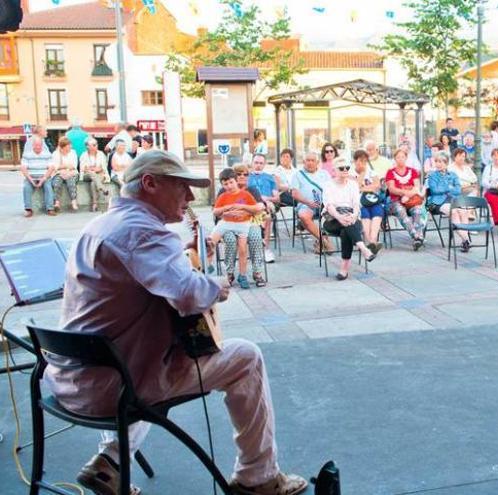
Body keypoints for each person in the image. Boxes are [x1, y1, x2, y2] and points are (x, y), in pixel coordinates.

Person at [50, 150, 309, 495]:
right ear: (149, 183)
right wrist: (216, 285)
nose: (189, 197)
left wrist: (182, 258)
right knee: (245, 357)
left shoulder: (98, 225)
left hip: (73, 378)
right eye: (182, 186)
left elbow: (141, 280)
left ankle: (110, 461)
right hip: (116, 388)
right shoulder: (144, 232)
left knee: (154, 362)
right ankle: (257, 477)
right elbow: (187, 295)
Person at [323, 157, 380, 279]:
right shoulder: (328, 185)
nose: (345, 170)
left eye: (347, 168)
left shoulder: (353, 184)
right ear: (334, 170)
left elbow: (356, 204)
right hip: (332, 219)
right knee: (347, 226)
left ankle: (344, 269)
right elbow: (329, 205)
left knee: (346, 231)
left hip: (351, 217)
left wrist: (354, 215)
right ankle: (364, 249)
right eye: (341, 168)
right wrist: (339, 217)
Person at [211, 168, 260, 289]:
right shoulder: (223, 196)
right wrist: (227, 208)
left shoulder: (246, 194)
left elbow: (257, 208)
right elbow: (215, 211)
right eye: (225, 184)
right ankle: (207, 266)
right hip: (226, 223)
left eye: (231, 182)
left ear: (236, 181)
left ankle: (242, 275)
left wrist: (242, 207)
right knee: (210, 242)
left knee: (243, 250)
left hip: (243, 224)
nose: (229, 186)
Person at [229, 164, 268, 287]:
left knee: (256, 236)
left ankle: (257, 272)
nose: (242, 176)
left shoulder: (252, 190)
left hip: (250, 223)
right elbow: (219, 210)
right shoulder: (225, 190)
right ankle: (229, 273)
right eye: (239, 174)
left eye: (245, 174)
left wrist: (243, 210)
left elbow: (260, 207)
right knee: (229, 239)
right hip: (230, 224)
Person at [426, 152, 471, 251]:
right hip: (436, 203)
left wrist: (445, 188)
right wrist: (449, 187)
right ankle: (466, 238)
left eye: (441, 162)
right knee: (454, 212)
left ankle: (464, 241)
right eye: (437, 161)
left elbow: (458, 190)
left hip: (453, 200)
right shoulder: (432, 176)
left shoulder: (453, 175)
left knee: (463, 211)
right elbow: (434, 190)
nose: (438, 164)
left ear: (446, 163)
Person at [291, 152, 333, 254]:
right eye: (307, 160)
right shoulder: (298, 175)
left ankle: (320, 243)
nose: (310, 163)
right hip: (306, 203)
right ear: (304, 162)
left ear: (317, 162)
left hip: (324, 204)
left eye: (312, 160)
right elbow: (294, 194)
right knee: (303, 216)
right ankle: (324, 241)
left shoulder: (324, 174)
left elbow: (332, 189)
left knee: (331, 214)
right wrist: (308, 202)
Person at [385, 148, 426, 250]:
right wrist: (404, 193)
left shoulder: (412, 171)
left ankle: (418, 237)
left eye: (403, 157)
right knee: (400, 211)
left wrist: (407, 195)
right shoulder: (390, 172)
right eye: (398, 157)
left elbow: (416, 187)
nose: (400, 159)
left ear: (406, 158)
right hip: (395, 200)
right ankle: (416, 236)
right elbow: (392, 189)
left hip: (411, 199)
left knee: (417, 210)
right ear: (394, 159)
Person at [247, 154, 280, 263]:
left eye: (261, 163)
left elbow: (277, 198)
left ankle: (265, 248)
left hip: (266, 204)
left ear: (264, 164)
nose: (258, 165)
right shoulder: (246, 176)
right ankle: (259, 242)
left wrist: (267, 198)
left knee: (267, 216)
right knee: (265, 216)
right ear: (252, 163)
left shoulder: (269, 177)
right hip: (250, 205)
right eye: (256, 162)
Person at [353, 149, 384, 252]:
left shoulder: (371, 171)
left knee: (377, 213)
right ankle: (370, 242)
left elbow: (377, 185)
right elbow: (355, 187)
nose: (363, 163)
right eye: (360, 160)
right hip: (359, 203)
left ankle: (372, 241)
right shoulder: (350, 172)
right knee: (365, 215)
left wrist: (362, 188)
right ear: (355, 161)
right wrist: (362, 174)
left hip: (372, 200)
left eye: (365, 161)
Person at [20, 135, 55, 217]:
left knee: (48, 187)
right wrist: (31, 180)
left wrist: (43, 178)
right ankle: (28, 209)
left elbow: (51, 168)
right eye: (36, 145)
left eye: (39, 145)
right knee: (26, 187)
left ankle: (50, 208)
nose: (38, 147)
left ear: (42, 145)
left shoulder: (47, 154)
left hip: (44, 176)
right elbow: (23, 168)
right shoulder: (27, 154)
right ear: (33, 145)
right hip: (31, 177)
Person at [50, 136, 80, 212]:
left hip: (71, 173)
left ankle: (74, 201)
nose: (70, 147)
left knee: (71, 181)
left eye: (70, 145)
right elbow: (55, 167)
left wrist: (63, 168)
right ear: (62, 147)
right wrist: (66, 166)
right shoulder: (55, 154)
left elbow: (74, 166)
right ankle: (56, 202)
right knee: (57, 182)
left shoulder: (73, 153)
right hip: (59, 174)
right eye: (68, 146)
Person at [79, 137, 109, 212]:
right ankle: (102, 188)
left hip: (100, 174)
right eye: (94, 145)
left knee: (93, 183)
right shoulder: (84, 155)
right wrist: (94, 169)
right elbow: (83, 168)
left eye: (96, 144)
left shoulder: (101, 154)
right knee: (91, 173)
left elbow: (103, 167)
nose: (96, 146)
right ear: (88, 147)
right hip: (87, 175)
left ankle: (94, 204)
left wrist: (94, 169)